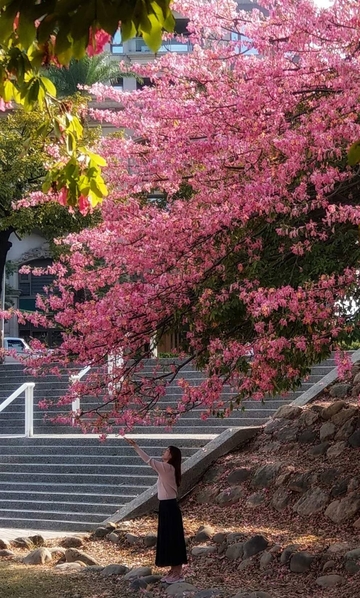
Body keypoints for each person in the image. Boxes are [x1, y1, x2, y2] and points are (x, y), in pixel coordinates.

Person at [124, 438, 187, 584]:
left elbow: (148, 460)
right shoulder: (167, 468)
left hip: (169, 507)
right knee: (167, 538)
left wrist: (135, 446)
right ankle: (173, 570)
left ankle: (177, 572)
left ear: (171, 456)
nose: (164, 452)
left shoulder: (167, 467)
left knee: (173, 538)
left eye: (167, 451)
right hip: (166, 507)